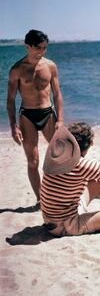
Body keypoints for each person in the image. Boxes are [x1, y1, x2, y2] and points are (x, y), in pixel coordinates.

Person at [7, 29, 64, 205]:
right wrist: (13, 126)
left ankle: (62, 193)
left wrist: (60, 119)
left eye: (45, 48)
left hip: (48, 114)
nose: (42, 51)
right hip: (27, 116)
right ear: (28, 47)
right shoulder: (17, 70)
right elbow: (10, 100)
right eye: (39, 48)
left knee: (60, 156)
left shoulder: (50, 66)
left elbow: (57, 94)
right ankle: (41, 199)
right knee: (33, 161)